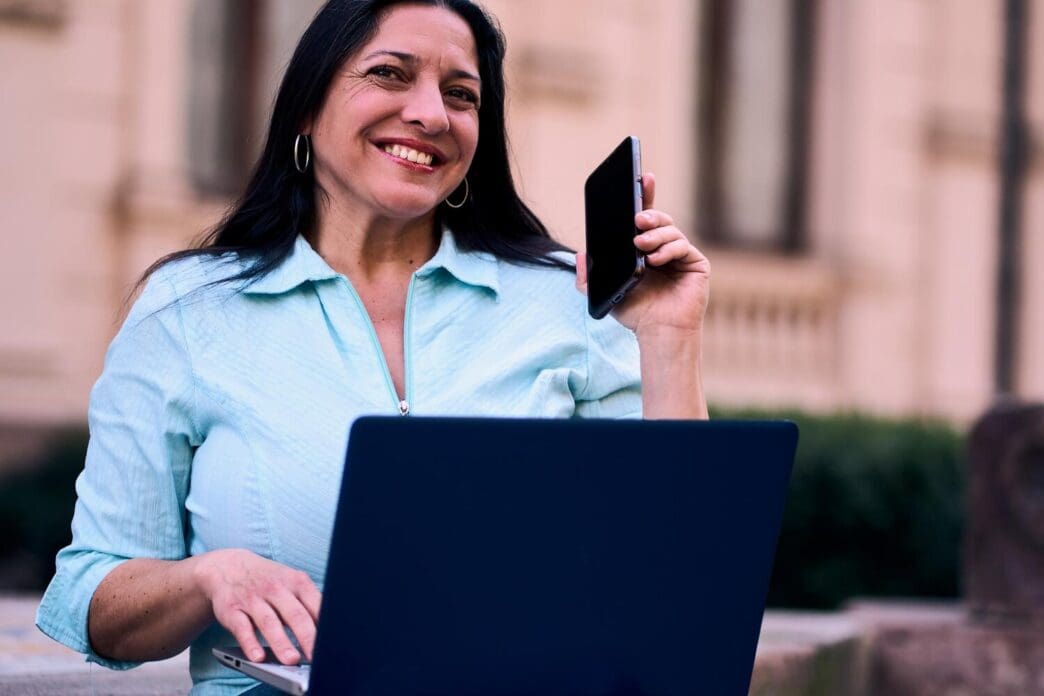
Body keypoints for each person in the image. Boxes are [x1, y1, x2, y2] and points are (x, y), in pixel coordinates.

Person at [36, 0, 710, 693]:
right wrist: (210, 577)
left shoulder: (569, 301)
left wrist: (668, 336)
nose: (431, 114)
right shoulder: (187, 312)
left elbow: (681, 576)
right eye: (390, 74)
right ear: (306, 106)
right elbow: (93, 598)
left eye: (461, 95)